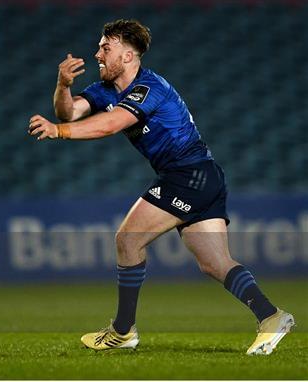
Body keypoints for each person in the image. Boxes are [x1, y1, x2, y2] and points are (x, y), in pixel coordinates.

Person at [28, 19, 294, 355]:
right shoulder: (104, 90)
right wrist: (63, 86)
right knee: (214, 263)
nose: (97, 54)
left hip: (189, 176)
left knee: (127, 240)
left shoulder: (148, 87)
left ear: (127, 55)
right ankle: (271, 317)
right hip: (201, 176)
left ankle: (123, 331)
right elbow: (69, 113)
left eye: (105, 48)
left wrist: (58, 132)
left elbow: (110, 124)